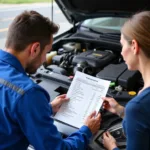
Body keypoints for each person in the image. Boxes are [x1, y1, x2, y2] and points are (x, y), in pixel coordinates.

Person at [0, 10, 101, 150]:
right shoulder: (28, 93)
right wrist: (87, 130)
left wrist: (47, 108)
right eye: (47, 52)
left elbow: (8, 111)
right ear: (35, 49)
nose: (44, 60)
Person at [102, 11, 150, 150]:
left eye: (123, 45)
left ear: (134, 46)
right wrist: (121, 111)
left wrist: (112, 148)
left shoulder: (139, 106)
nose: (122, 52)